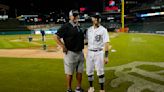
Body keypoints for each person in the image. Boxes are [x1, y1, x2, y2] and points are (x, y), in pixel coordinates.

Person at [54, 9, 84, 92]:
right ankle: (69, 89)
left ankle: (78, 88)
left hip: (80, 53)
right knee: (69, 73)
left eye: (76, 15)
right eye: (73, 15)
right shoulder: (66, 26)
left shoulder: (79, 26)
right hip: (70, 53)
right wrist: (62, 46)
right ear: (70, 16)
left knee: (80, 72)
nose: (75, 17)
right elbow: (56, 36)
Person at [85, 12, 110, 92]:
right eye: (94, 17)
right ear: (92, 19)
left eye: (97, 17)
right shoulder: (89, 30)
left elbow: (106, 43)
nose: (96, 19)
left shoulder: (103, 30)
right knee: (89, 71)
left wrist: (106, 56)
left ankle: (102, 89)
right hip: (89, 53)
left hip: (99, 53)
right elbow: (86, 42)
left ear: (99, 19)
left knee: (100, 71)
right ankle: (91, 87)